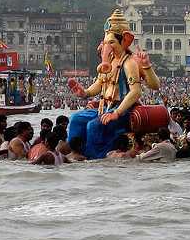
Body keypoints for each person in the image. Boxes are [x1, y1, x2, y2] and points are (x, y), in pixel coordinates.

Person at [67, 9, 159, 159]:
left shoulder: (129, 63)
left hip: (122, 111)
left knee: (93, 126)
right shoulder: (109, 61)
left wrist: (116, 113)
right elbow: (99, 83)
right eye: (106, 42)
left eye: (112, 42)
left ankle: (95, 158)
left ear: (125, 40)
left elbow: (136, 92)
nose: (107, 46)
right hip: (105, 107)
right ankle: (75, 153)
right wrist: (85, 92)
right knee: (76, 119)